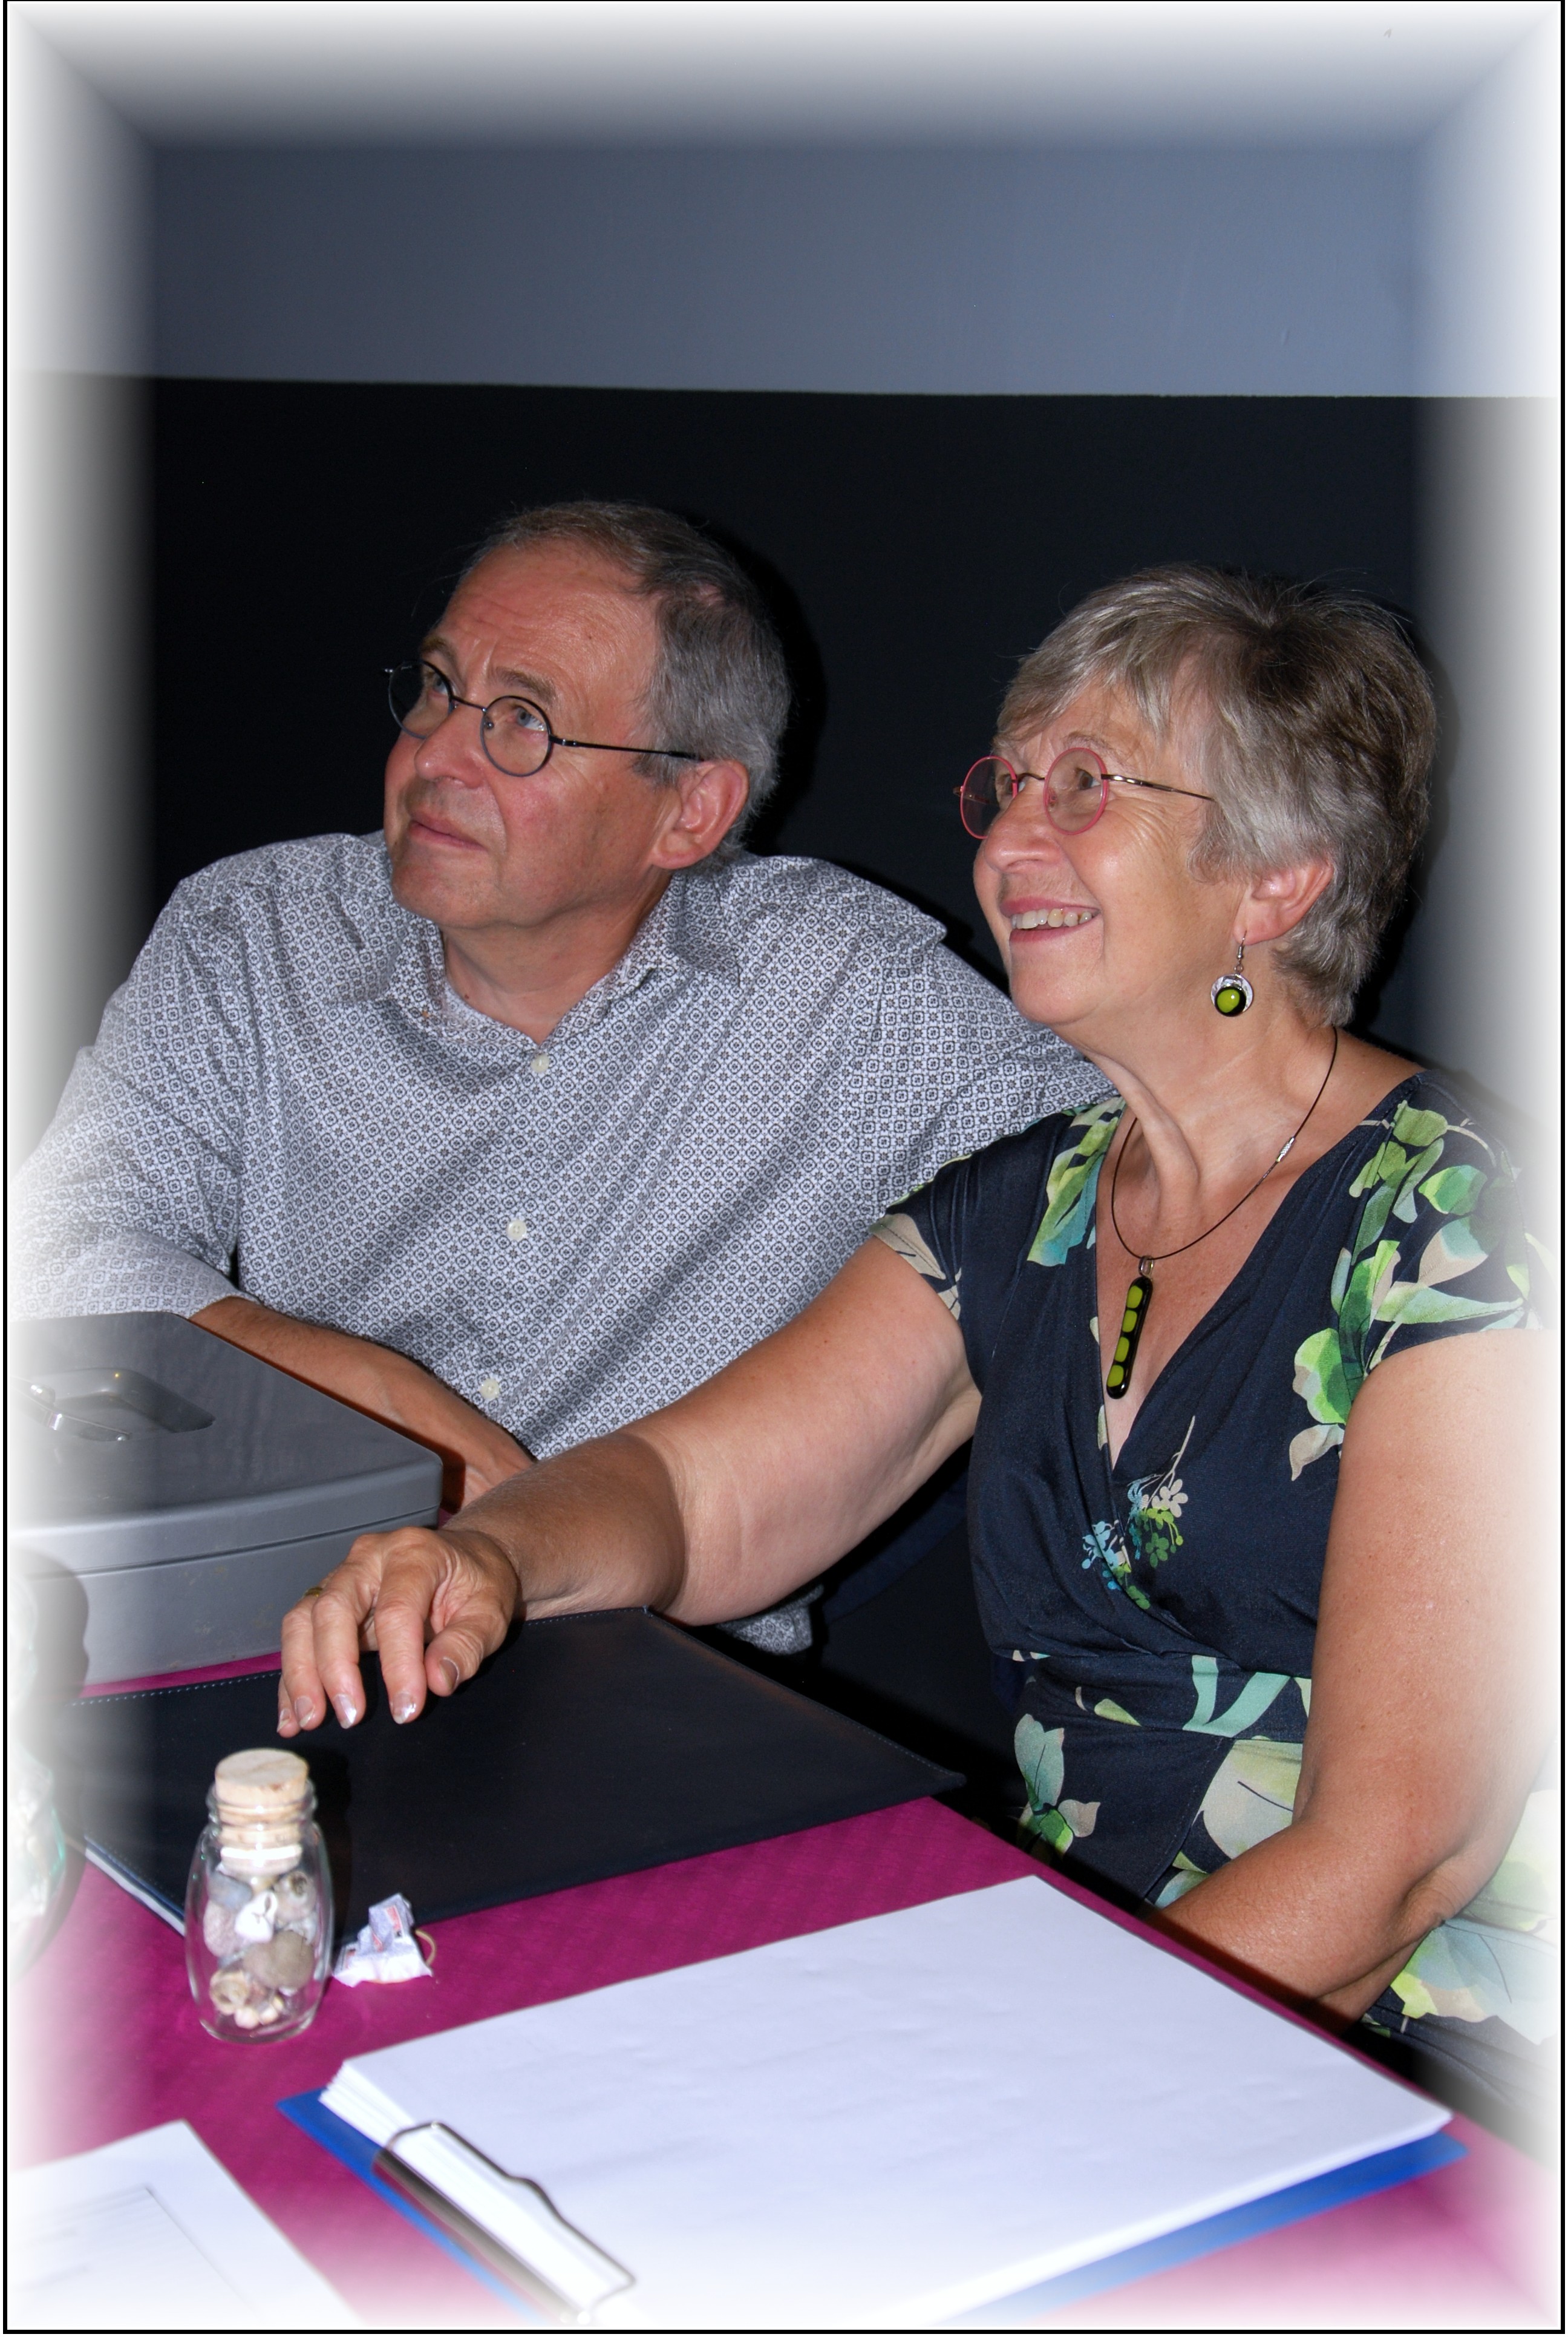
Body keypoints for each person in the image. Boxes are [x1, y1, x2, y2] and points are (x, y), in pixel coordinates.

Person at [278, 565, 1553, 2125]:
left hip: (1396, 2061)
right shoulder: (1032, 1207)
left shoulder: (1463, 1221)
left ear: (1278, 879)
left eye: (1086, 787)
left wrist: (1012, 2087)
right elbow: (695, 1493)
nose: (1008, 842)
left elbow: (1398, 1858)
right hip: (1086, 1985)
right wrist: (490, 1557)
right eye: (1007, 786)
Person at [13, 501, 1105, 1647]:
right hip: (285, 1608)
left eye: (522, 724)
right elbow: (56, 1243)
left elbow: (1142, 1164)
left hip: (646, 1666)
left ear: (690, 810)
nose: (434, 758)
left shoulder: (838, 993)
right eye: (438, 688)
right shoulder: (257, 934)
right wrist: (362, 1393)